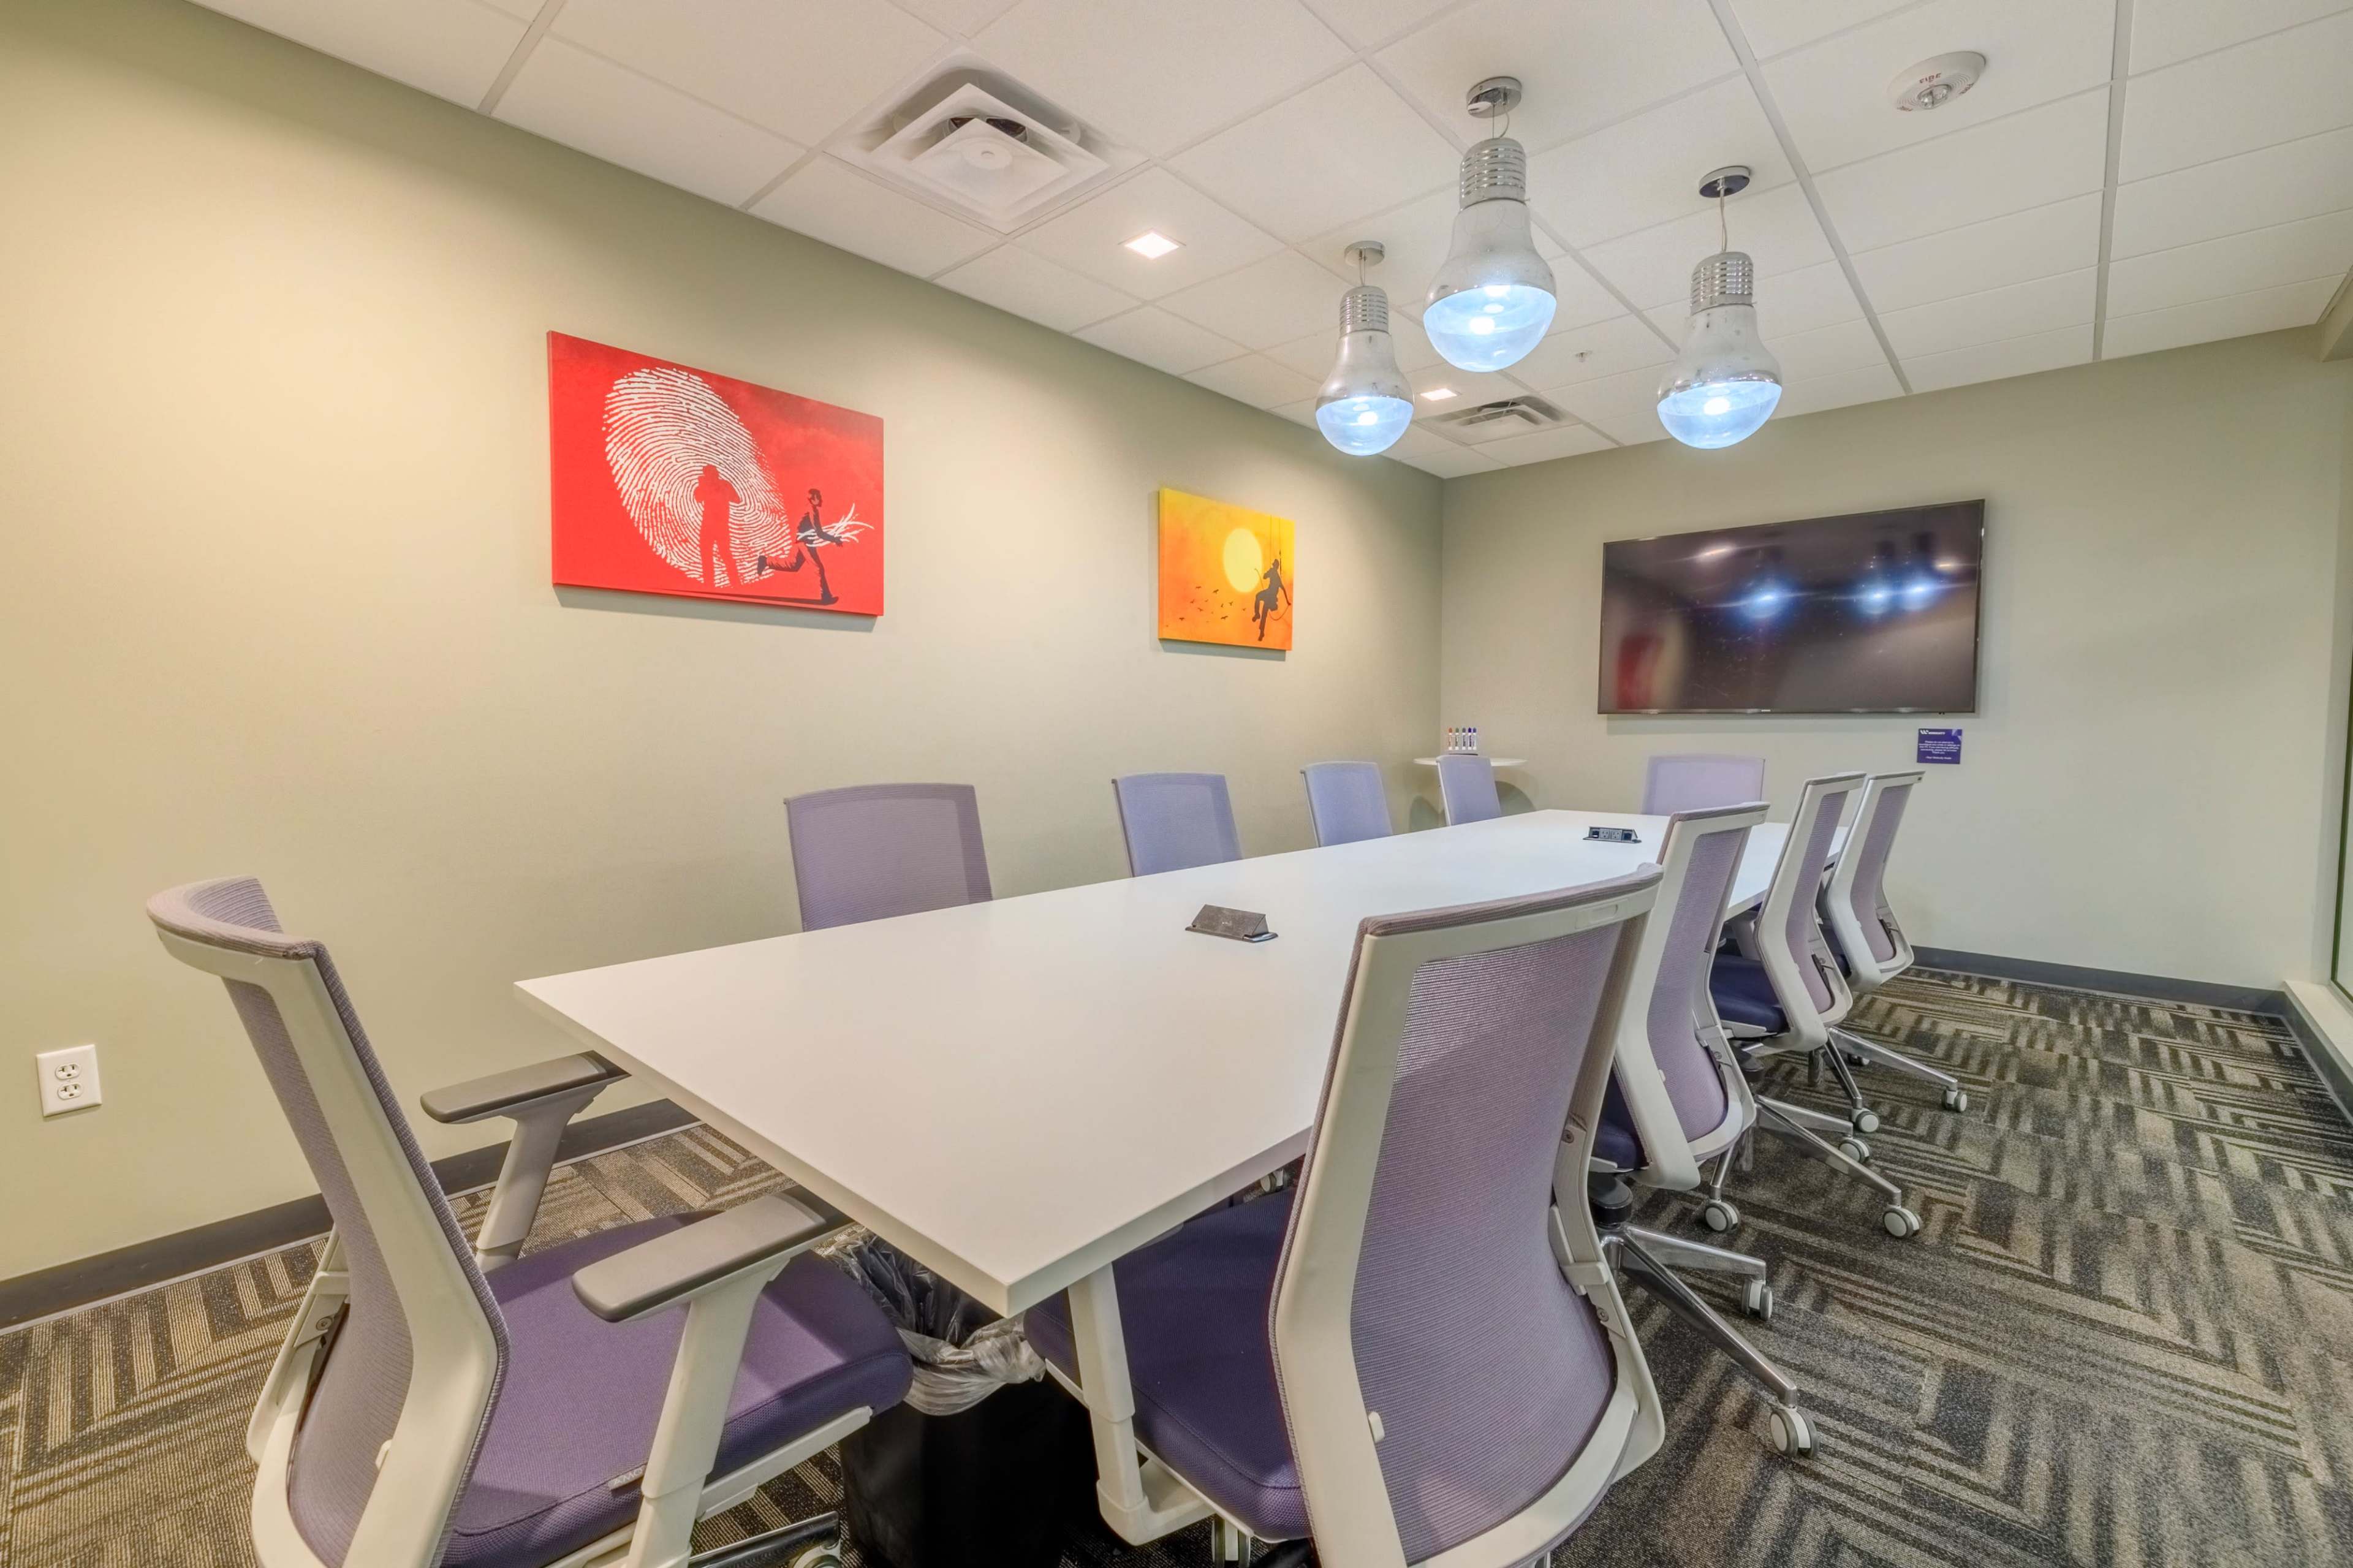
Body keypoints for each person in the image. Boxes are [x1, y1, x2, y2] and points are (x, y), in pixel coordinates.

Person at [756, 487, 846, 606]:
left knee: (793, 565)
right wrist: (834, 539)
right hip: (805, 543)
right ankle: (826, 597)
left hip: (801, 542)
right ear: (813, 499)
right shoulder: (812, 510)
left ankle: (766, 561)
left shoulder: (809, 508)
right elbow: (819, 532)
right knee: (819, 569)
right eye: (819, 497)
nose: (822, 500)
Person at [693, 463, 740, 587]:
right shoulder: (705, 486)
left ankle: (735, 584)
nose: (714, 476)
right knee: (708, 556)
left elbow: (737, 499)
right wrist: (703, 486)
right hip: (708, 527)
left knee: (724, 555)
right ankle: (710, 586)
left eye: (714, 473)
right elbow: (698, 498)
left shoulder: (724, 485)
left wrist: (719, 491)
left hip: (720, 526)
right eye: (710, 474)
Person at [1252, 553, 1290, 642]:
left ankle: (1258, 619)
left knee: (1258, 598)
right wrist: (1287, 601)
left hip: (1270, 596)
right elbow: (1283, 589)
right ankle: (1261, 630)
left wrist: (1287, 601)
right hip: (1270, 596)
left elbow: (1265, 577)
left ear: (1275, 566)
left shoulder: (1273, 572)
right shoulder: (1275, 575)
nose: (1273, 565)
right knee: (1263, 611)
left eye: (1274, 564)